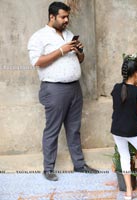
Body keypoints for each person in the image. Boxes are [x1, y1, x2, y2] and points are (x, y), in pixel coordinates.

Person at [27, 2, 98, 181]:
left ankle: (79, 165)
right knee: (52, 129)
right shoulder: (39, 37)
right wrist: (61, 50)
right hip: (54, 89)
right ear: (52, 17)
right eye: (63, 17)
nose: (67, 20)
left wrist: (78, 51)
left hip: (74, 87)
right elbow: (37, 62)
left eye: (68, 17)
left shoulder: (68, 34)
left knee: (74, 129)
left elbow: (80, 60)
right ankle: (48, 168)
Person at [110, 56, 137, 200]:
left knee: (124, 156)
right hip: (133, 131)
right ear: (136, 74)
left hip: (117, 129)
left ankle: (128, 191)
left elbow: (122, 103)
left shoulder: (116, 88)